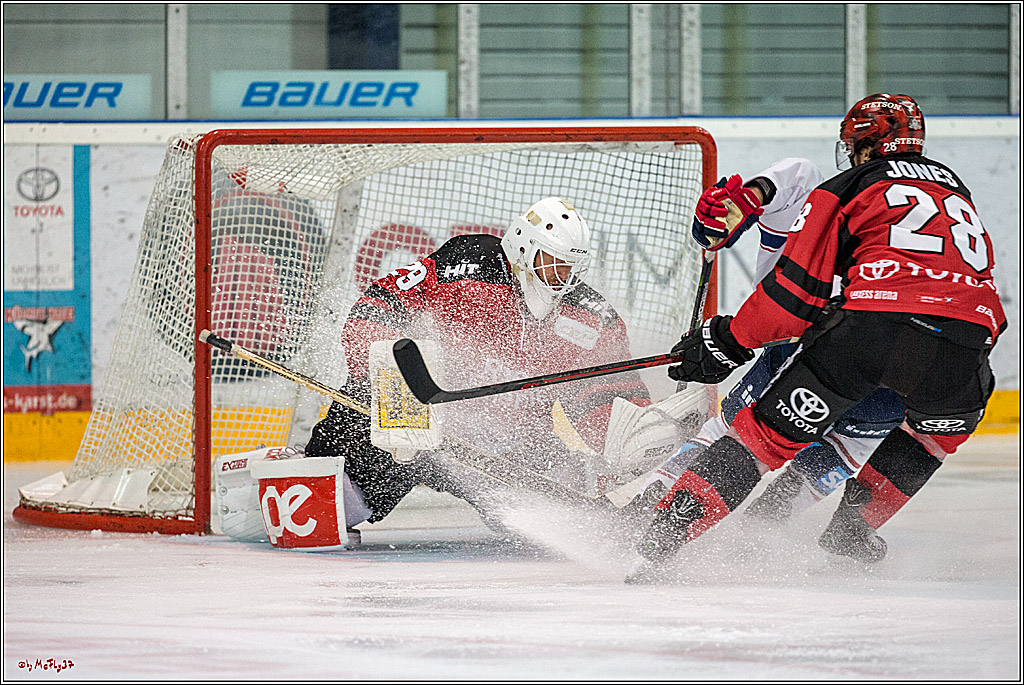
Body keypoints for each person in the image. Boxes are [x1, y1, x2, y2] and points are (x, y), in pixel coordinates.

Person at [634, 93, 1006, 571]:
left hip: (864, 338)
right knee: (929, 439)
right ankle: (850, 532)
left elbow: (793, 297)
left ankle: (656, 544)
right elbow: (985, 307)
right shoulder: (958, 195)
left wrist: (726, 341)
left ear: (866, 146)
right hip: (961, 357)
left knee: (758, 440)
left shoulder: (847, 185)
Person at [304, 197, 656, 532]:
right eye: (553, 262)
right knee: (336, 495)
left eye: (570, 267)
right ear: (523, 246)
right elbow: (378, 305)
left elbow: (606, 398)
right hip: (417, 423)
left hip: (503, 450)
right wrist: (397, 390)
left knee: (550, 522)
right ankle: (314, 487)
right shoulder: (469, 263)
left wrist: (633, 449)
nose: (562, 278)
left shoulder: (589, 318)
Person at [631, 158, 906, 528]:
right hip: (897, 373)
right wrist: (738, 208)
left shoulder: (821, 191)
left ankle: (653, 505)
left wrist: (740, 206)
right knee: (834, 458)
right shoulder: (944, 210)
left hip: (806, 352)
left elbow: (788, 181)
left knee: (733, 434)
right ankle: (760, 536)